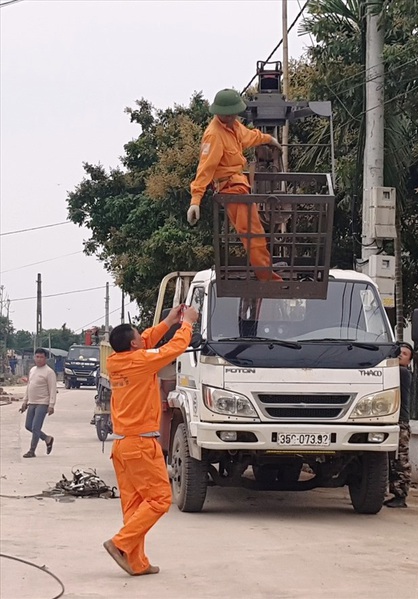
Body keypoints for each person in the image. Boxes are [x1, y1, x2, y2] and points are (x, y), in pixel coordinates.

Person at [102, 304, 199, 577]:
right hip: (141, 445)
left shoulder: (116, 361)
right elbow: (174, 349)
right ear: (133, 344)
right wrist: (187, 323)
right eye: (138, 338)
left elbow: (146, 340)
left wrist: (168, 320)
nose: (142, 339)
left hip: (122, 446)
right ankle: (120, 544)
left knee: (134, 507)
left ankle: (137, 562)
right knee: (159, 499)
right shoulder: (141, 361)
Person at [187, 88, 283, 282]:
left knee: (256, 233)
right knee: (253, 235)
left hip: (241, 186)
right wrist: (195, 200)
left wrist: (269, 139)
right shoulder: (214, 135)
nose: (233, 117)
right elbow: (205, 169)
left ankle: (266, 270)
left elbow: (249, 137)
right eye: (230, 114)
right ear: (221, 113)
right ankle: (267, 278)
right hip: (232, 190)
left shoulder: (234, 126)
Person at [384, 342, 413, 508]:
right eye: (399, 352)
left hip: (400, 422)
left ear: (409, 361)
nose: (400, 355)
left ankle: (400, 494)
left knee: (399, 460)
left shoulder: (402, 372)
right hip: (393, 420)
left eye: (404, 354)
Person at [19, 348, 56, 458]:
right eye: (37, 357)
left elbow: (53, 389)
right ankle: (47, 438)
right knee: (28, 425)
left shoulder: (49, 372)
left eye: (41, 357)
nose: (39, 359)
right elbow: (29, 386)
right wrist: (25, 401)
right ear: (34, 357)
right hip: (32, 402)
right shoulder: (32, 370)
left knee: (36, 427)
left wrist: (51, 405)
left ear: (45, 358)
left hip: (43, 403)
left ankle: (32, 450)